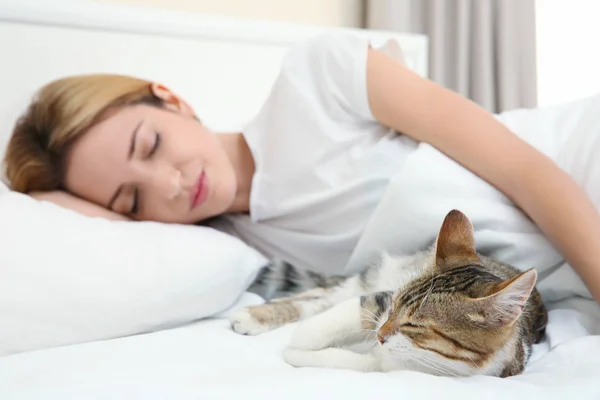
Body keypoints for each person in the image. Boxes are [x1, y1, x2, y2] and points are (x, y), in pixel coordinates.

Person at [4, 32, 600, 303]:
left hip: (574, 169)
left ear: (172, 98)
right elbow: (59, 228)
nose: (172, 185)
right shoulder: (230, 246)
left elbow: (524, 166)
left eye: (151, 145)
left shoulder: (317, 78)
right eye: (130, 200)